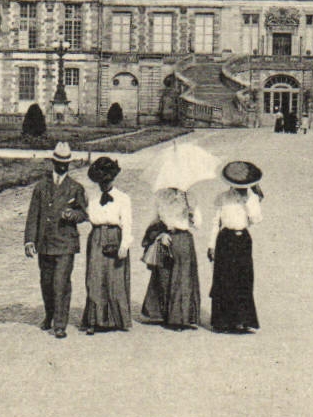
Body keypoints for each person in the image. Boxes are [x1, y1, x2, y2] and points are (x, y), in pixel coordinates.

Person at [24, 141, 89, 338]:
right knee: (46, 282)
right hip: (45, 243)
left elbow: (84, 214)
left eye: (66, 163)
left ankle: (60, 324)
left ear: (69, 164)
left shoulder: (76, 188)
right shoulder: (41, 187)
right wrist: (29, 241)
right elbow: (33, 215)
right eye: (59, 162)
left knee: (61, 283)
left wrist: (73, 214)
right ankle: (49, 315)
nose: (62, 166)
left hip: (65, 243)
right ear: (53, 162)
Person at [207, 161, 264, 333]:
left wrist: (247, 202)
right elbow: (215, 223)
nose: (240, 188)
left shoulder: (252, 198)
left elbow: (256, 219)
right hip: (225, 240)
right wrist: (211, 245)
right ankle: (223, 321)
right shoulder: (223, 197)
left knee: (243, 279)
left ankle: (242, 320)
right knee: (224, 279)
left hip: (242, 240)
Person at [80, 156, 134, 333]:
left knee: (114, 278)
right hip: (96, 237)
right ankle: (94, 320)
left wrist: (124, 245)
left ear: (113, 178)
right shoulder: (93, 198)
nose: (104, 185)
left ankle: (117, 320)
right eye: (101, 182)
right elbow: (87, 216)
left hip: (115, 236)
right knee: (94, 277)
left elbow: (127, 223)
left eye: (107, 180)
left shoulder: (123, 198)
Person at [139, 187, 202, 329]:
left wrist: (192, 214)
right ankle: (162, 314)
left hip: (184, 239)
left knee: (183, 278)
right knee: (163, 277)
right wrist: (160, 235)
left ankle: (181, 318)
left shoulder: (190, 198)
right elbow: (152, 221)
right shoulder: (160, 197)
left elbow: (198, 224)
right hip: (165, 238)